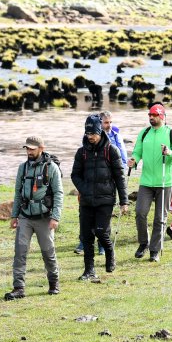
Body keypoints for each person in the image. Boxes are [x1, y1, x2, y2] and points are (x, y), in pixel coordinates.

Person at [6, 136, 63, 300]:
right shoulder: (22, 168)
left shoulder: (51, 168)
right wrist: (14, 215)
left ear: (41, 148)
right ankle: (18, 288)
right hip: (25, 217)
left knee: (48, 252)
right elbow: (17, 193)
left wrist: (55, 217)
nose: (29, 151)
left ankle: (54, 283)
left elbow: (59, 193)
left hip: (45, 218)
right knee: (20, 252)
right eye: (27, 148)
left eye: (32, 148)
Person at [71, 115, 127, 282]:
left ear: (100, 131)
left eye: (93, 133)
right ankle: (89, 270)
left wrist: (124, 201)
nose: (90, 137)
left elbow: (119, 177)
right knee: (87, 236)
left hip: (106, 200)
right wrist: (85, 189)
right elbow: (75, 175)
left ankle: (109, 252)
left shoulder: (111, 150)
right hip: (87, 201)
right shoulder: (82, 152)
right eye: (87, 133)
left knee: (102, 231)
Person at [129, 103, 172, 262]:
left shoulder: (171, 134)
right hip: (146, 181)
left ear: (162, 116)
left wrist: (169, 152)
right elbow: (137, 151)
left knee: (160, 218)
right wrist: (134, 160)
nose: (151, 117)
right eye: (150, 115)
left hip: (165, 182)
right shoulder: (144, 133)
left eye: (154, 115)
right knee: (140, 212)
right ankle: (143, 243)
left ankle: (155, 250)